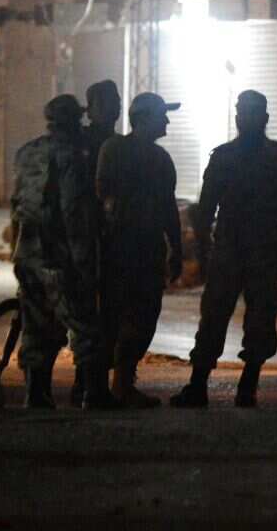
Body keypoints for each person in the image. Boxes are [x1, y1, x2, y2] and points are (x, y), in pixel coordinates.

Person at [170, 90, 277, 408]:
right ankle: (235, 387)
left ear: (261, 118)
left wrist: (202, 250)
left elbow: (204, 210)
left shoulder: (229, 157)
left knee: (232, 317)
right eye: (244, 113)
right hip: (252, 248)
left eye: (250, 113)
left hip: (237, 248)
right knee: (241, 318)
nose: (246, 118)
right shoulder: (275, 157)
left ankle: (216, 386)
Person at [10, 94, 117, 410]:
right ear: (74, 120)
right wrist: (85, 263)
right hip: (59, 257)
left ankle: (37, 394)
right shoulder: (72, 157)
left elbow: (16, 204)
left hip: (28, 254)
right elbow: (73, 214)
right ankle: (94, 394)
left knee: (36, 325)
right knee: (84, 326)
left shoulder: (26, 153)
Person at [95, 92, 183, 408]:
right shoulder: (119, 150)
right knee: (117, 317)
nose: (167, 120)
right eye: (162, 114)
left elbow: (168, 209)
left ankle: (115, 385)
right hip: (125, 248)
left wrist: (176, 247)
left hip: (140, 250)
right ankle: (102, 387)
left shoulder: (154, 158)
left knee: (140, 316)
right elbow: (101, 195)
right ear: (144, 118)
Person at [68, 79, 122, 406]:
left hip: (110, 240)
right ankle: (90, 385)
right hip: (86, 241)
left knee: (108, 314)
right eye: (108, 101)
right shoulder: (83, 144)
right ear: (93, 108)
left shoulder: (116, 144)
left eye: (116, 100)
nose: (115, 107)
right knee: (88, 314)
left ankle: (90, 382)